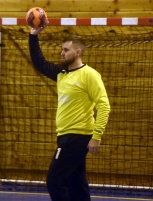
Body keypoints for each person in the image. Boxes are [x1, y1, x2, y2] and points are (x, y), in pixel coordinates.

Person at [28, 24, 111, 201]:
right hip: (65, 135)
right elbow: (39, 63)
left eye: (66, 50)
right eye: (62, 50)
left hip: (77, 136)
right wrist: (33, 35)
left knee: (55, 181)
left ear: (78, 52)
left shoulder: (89, 74)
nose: (62, 53)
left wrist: (97, 136)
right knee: (76, 183)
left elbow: (104, 105)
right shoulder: (61, 73)